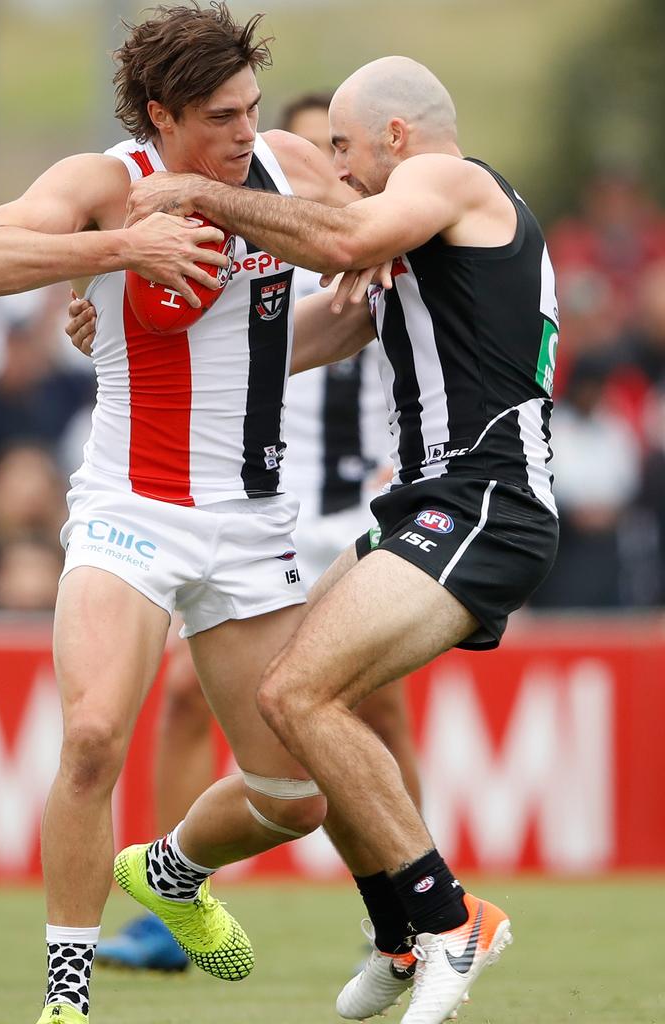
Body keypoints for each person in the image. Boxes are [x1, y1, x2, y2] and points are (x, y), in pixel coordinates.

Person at [0, 8, 398, 1024]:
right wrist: (116, 247)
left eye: (250, 107)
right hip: (130, 507)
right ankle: (68, 992)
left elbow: (367, 251)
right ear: (161, 114)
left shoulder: (281, 165)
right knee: (95, 734)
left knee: (297, 798)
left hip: (252, 521)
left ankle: (174, 869)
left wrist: (378, 289)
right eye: (221, 115)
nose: (248, 131)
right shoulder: (108, 181)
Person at [117, 54, 560, 1024]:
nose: (341, 169)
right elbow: (289, 345)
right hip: (433, 503)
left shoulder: (449, 179)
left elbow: (348, 229)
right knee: (290, 702)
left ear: (398, 138)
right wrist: (123, 333)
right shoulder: (414, 248)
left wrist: (196, 191)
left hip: (489, 497)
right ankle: (399, 936)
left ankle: (451, 920)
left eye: (345, 149)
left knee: (296, 690)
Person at [86, 89, 421, 974]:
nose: (318, 165)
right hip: (245, 499)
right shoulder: (234, 232)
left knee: (362, 702)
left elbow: (370, 330)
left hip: (342, 501)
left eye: (332, 152)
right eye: (314, 147)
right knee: (201, 698)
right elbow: (199, 347)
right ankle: (171, 903)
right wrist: (99, 320)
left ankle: (405, 897)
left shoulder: (346, 240)